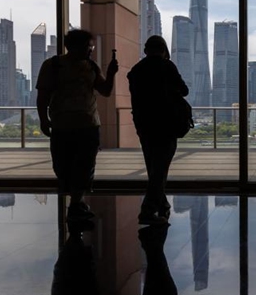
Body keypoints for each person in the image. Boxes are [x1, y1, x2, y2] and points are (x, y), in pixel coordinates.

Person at [36, 29, 118, 223]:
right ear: (73, 47)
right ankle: (76, 201)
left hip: (87, 124)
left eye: (91, 47)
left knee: (85, 165)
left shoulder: (91, 66)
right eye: (88, 47)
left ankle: (75, 203)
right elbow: (42, 96)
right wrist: (43, 119)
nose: (91, 50)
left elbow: (105, 91)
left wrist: (111, 74)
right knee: (63, 166)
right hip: (64, 124)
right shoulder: (53, 65)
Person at [128, 35, 189, 225]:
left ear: (146, 50)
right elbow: (184, 90)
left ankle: (163, 206)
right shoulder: (167, 67)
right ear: (164, 50)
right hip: (166, 124)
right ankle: (147, 211)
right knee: (160, 168)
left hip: (144, 124)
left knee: (154, 167)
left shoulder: (136, 71)